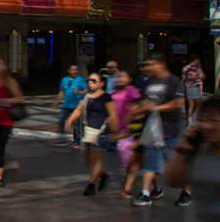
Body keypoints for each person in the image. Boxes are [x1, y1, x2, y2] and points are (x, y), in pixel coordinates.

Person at [133, 54, 190, 208]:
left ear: (161, 65)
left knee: (175, 164)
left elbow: (178, 103)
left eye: (151, 64)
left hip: (172, 128)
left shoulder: (174, 81)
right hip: (153, 129)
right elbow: (147, 101)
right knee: (150, 161)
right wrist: (139, 110)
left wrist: (156, 108)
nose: (148, 68)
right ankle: (145, 193)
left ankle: (186, 192)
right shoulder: (150, 82)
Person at [65, 72, 118, 196]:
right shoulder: (87, 96)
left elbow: (112, 114)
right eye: (89, 80)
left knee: (96, 159)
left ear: (101, 83)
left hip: (102, 132)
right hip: (88, 131)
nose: (90, 83)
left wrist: (116, 131)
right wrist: (70, 120)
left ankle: (91, 185)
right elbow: (78, 110)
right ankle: (103, 176)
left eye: (94, 81)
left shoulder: (106, 97)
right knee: (87, 159)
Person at [0, 55, 25, 188]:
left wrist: (4, 101)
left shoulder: (9, 81)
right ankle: (7, 164)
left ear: (3, 66)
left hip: (7, 120)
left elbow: (20, 99)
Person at [112, 70, 143, 199]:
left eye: (123, 76)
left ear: (129, 79)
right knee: (126, 156)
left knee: (131, 157)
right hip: (119, 130)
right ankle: (150, 182)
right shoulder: (114, 93)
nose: (120, 78)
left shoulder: (131, 90)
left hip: (130, 130)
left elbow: (138, 107)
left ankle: (129, 187)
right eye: (118, 76)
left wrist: (132, 123)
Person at [54, 64, 87, 148]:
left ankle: (77, 141)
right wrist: (57, 101)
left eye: (76, 70)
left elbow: (86, 89)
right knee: (61, 120)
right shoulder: (64, 79)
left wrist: (80, 93)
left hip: (77, 106)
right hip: (66, 105)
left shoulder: (80, 79)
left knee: (77, 124)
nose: (74, 71)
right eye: (72, 70)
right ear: (69, 71)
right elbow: (61, 91)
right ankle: (62, 138)